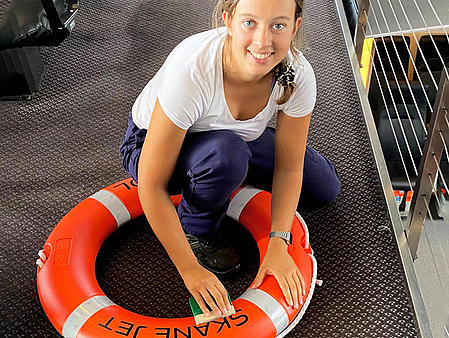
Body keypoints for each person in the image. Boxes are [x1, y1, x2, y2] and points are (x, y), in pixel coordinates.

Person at [120, 0, 340, 320]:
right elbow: (151, 185)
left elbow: (289, 167)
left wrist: (279, 242)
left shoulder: (294, 74)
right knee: (227, 157)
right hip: (149, 141)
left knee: (324, 186)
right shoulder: (193, 69)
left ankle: (221, 178)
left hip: (234, 136)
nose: (263, 42)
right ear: (228, 19)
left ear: (296, 26)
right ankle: (197, 227)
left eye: (277, 25)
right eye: (249, 22)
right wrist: (189, 269)